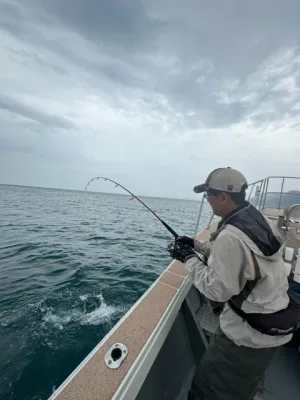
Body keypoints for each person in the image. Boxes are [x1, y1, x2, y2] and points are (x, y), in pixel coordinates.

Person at [170, 167, 298, 400]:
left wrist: (186, 258)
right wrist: (196, 245)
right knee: (243, 387)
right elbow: (242, 259)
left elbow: (215, 289)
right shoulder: (255, 218)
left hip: (246, 336)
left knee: (209, 390)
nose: (207, 200)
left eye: (208, 194)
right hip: (272, 325)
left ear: (223, 197)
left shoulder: (230, 234)